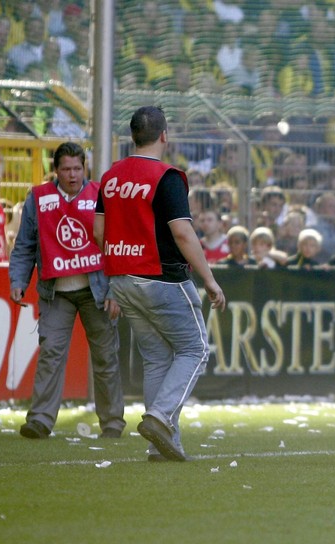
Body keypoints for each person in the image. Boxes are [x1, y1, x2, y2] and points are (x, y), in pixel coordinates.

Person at [94, 106, 225, 462]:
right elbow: (182, 233)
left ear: (132, 136)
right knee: (195, 351)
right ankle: (160, 416)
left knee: (156, 359)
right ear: (164, 135)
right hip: (162, 278)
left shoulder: (111, 177)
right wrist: (210, 280)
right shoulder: (166, 177)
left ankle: (163, 446)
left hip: (121, 278)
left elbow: (99, 232)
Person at [8, 142, 125, 439]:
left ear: (84, 168)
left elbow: (115, 244)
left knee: (106, 356)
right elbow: (25, 244)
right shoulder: (37, 198)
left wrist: (117, 290)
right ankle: (40, 420)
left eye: (77, 168)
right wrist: (18, 280)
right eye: (66, 169)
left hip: (96, 290)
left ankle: (112, 423)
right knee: (51, 354)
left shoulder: (100, 194)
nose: (73, 175)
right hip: (55, 291)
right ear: (55, 170)